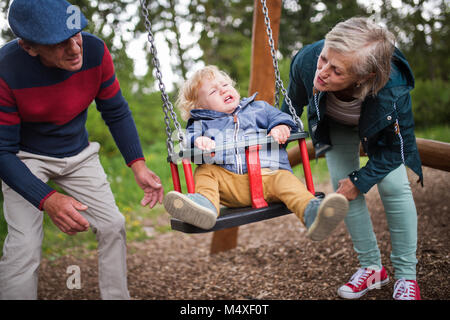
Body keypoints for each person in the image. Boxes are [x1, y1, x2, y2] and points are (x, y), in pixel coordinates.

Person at [0, 0, 163, 300]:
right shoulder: (5, 69)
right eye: (59, 44)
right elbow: (2, 152)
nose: (75, 48)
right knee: (23, 246)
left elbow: (115, 110)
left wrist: (137, 165)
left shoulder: (96, 52)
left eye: (76, 34)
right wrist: (46, 199)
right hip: (25, 158)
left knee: (114, 224)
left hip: (78, 153)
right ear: (29, 47)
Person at [281, 17, 423, 300]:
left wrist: (362, 179)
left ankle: (407, 276)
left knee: (394, 188)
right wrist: (272, 145)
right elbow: (288, 110)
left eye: (336, 71)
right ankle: (371, 268)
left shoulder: (393, 86)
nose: (322, 72)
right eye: (324, 60)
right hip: (334, 125)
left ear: (364, 77)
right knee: (343, 188)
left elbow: (397, 149)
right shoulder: (308, 61)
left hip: (382, 135)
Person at [163, 65, 349, 242]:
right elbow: (188, 140)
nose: (222, 90)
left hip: (268, 177)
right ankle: (205, 207)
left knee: (287, 181)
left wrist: (280, 126)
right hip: (229, 185)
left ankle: (313, 214)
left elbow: (281, 117)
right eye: (213, 91)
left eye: (225, 85)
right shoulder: (200, 123)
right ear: (200, 108)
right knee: (205, 172)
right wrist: (197, 141)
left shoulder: (259, 108)